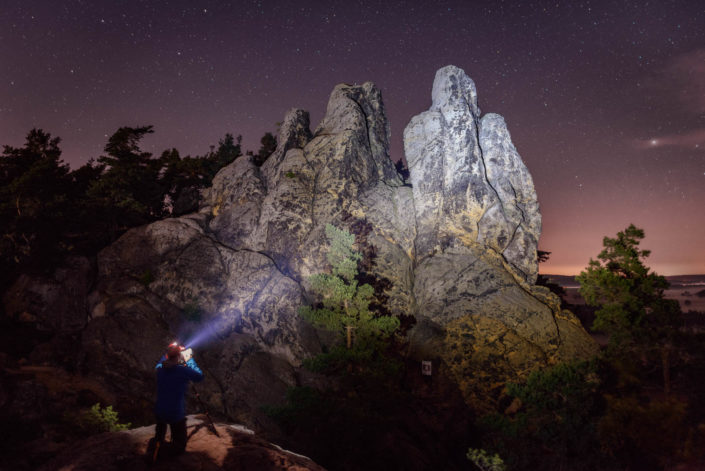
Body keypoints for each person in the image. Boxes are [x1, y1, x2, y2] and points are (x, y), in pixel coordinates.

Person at [152, 342, 204, 456]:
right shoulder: (182, 371)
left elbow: (162, 362)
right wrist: (189, 359)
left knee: (159, 433)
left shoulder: (160, 369)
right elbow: (199, 376)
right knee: (180, 445)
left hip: (160, 410)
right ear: (179, 356)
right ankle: (162, 454)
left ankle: (156, 445)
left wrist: (170, 351)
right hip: (175, 413)